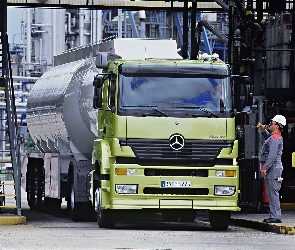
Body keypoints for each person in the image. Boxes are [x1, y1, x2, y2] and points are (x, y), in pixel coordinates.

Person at [257, 115, 286, 223]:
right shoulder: (274, 137)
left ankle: (276, 216)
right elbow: (268, 137)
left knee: (273, 192)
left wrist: (265, 167)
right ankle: (274, 215)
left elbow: (272, 156)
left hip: (273, 168)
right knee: (271, 192)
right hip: (272, 168)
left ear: (277, 126)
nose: (269, 124)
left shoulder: (275, 139)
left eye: (272, 123)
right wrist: (263, 130)